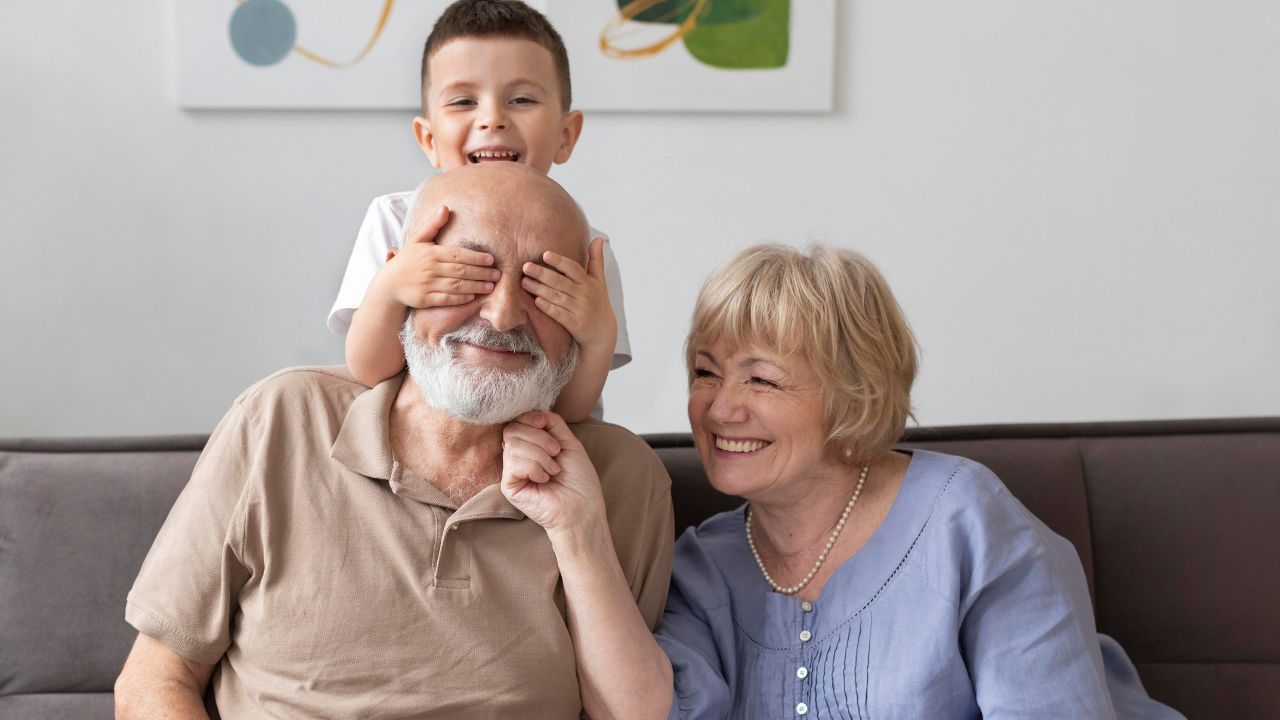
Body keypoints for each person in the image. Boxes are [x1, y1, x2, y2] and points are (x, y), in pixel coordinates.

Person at [114, 163, 673, 720]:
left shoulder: (622, 477)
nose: (503, 314)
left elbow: (629, 713)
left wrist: (580, 533)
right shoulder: (282, 417)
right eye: (468, 272)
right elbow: (154, 682)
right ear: (400, 282)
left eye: (542, 285)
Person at [650, 244, 1185, 718]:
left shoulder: (967, 520)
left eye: (761, 379)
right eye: (706, 372)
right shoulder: (700, 565)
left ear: (851, 393)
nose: (719, 408)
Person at [331, 0, 626, 423]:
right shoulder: (396, 218)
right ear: (428, 138)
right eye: (464, 101)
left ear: (566, 135)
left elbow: (573, 412)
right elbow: (369, 371)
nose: (492, 119)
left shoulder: (586, 244)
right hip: (420, 440)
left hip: (535, 444)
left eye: (522, 99)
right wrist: (391, 288)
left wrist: (598, 339)